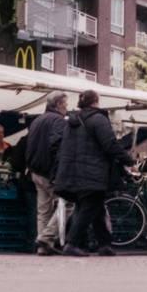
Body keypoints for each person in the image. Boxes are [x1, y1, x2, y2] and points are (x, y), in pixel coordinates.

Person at [54, 90, 127, 256]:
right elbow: (109, 144)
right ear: (96, 101)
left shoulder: (72, 121)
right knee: (89, 207)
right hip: (93, 172)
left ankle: (104, 244)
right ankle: (71, 243)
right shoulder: (98, 119)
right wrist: (128, 160)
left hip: (73, 172)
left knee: (95, 207)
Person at [24, 93, 69, 255]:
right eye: (65, 104)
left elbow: (29, 144)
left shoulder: (37, 120)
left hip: (35, 170)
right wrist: (58, 172)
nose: (67, 108)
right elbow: (57, 146)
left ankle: (43, 247)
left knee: (43, 210)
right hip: (49, 171)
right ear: (58, 104)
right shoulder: (58, 121)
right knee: (69, 204)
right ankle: (46, 237)